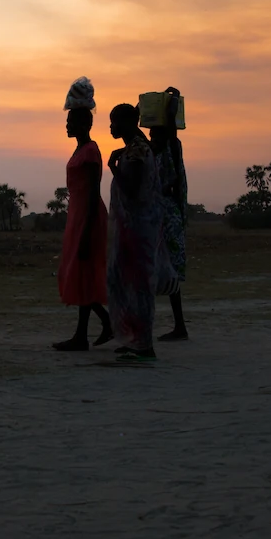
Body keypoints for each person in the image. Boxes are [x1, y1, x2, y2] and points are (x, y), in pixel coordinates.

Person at [103, 103, 160, 360]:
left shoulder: (137, 151)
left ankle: (143, 344)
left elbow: (133, 190)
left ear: (127, 123)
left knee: (137, 285)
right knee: (125, 283)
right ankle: (132, 339)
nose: (111, 127)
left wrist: (114, 168)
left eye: (114, 122)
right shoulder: (134, 148)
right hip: (132, 229)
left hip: (136, 229)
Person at [53, 108, 113, 351]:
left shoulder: (90, 151)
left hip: (87, 215)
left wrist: (87, 230)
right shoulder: (81, 149)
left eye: (70, 121)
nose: (67, 125)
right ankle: (90, 331)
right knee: (79, 272)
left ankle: (89, 332)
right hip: (78, 214)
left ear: (83, 123)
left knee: (83, 270)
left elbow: (93, 192)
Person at [149, 87, 190, 341]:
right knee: (158, 269)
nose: (151, 134)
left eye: (154, 130)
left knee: (167, 270)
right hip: (159, 214)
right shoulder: (154, 149)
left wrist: (171, 99)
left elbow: (170, 124)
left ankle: (178, 326)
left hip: (167, 216)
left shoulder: (170, 145)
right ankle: (178, 325)